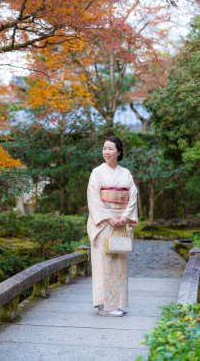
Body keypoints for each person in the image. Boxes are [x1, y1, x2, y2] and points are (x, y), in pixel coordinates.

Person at [87, 136, 138, 317]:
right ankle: (103, 304)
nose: (106, 152)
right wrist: (109, 218)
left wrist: (124, 217)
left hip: (121, 223)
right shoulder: (97, 172)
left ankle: (116, 304)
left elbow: (132, 196)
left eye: (110, 149)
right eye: (104, 148)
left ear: (119, 151)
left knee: (119, 263)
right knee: (103, 262)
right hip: (103, 224)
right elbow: (93, 198)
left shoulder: (126, 173)